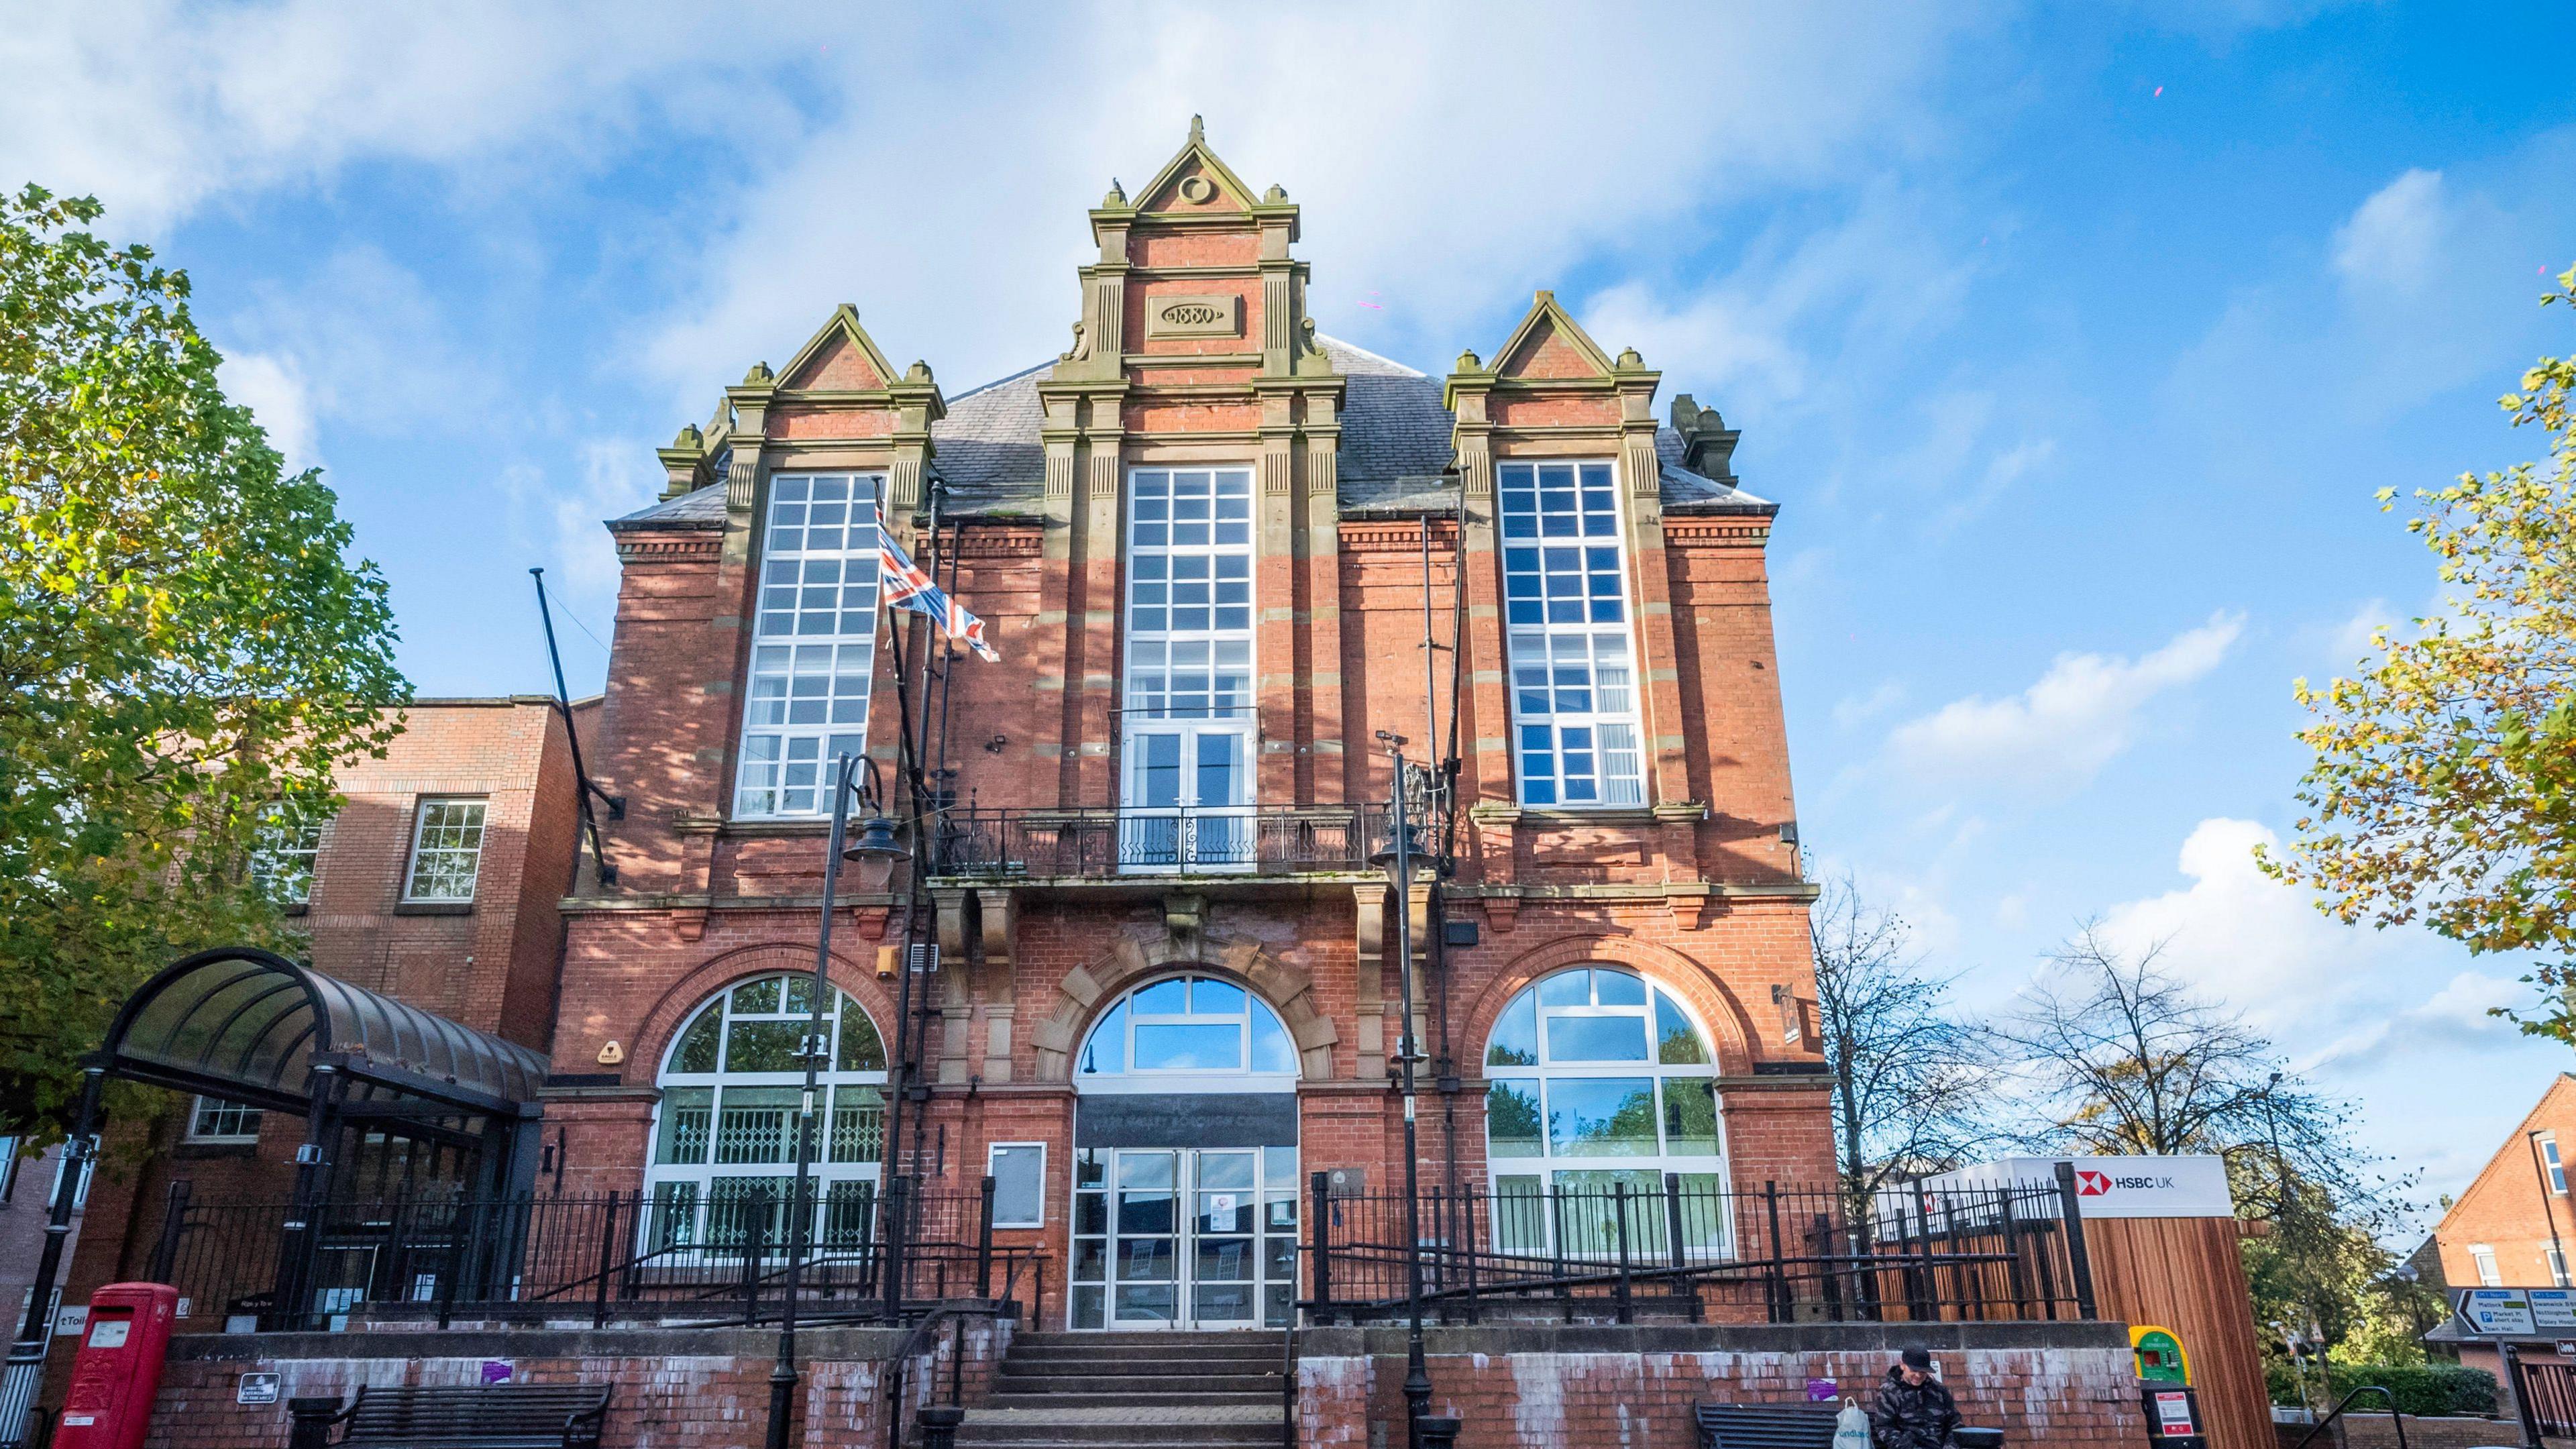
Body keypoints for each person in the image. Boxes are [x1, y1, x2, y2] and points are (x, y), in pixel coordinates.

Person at [1870, 1346, 1961, 1449]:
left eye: (1923, 1372)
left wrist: (1950, 1447)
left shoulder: (1939, 1390)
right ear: (1903, 1365)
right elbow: (1885, 1428)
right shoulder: (1888, 1392)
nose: (1918, 1376)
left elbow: (1955, 1424)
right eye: (1914, 1370)